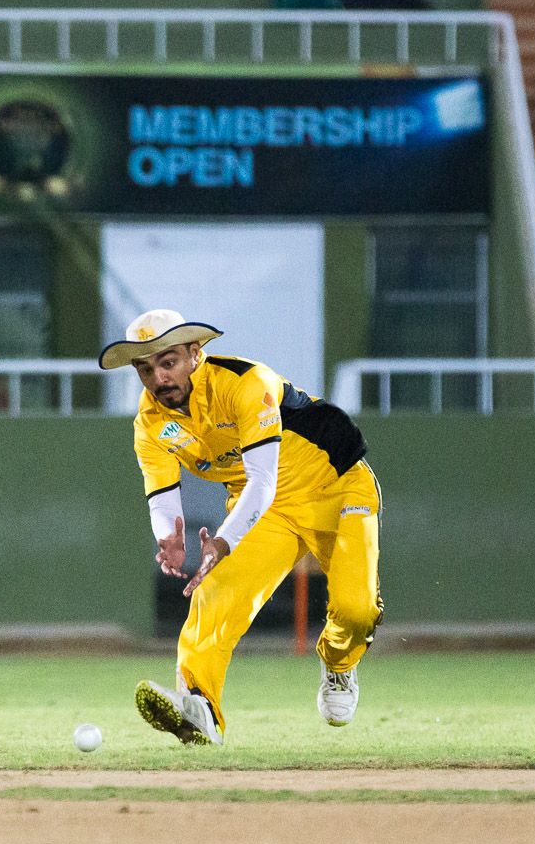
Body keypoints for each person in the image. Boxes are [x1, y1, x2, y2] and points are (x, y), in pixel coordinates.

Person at [98, 309, 383, 745]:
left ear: (195, 354)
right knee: (215, 595)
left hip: (338, 486)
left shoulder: (247, 383)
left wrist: (224, 540)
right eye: (145, 369)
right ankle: (199, 707)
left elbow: (262, 480)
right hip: (268, 513)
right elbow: (161, 494)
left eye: (168, 362)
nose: (158, 378)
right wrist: (168, 537)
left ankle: (340, 664)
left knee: (356, 610)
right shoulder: (150, 422)